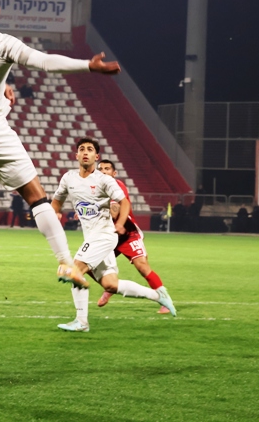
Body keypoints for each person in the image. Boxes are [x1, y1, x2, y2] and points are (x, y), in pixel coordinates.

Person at [0, 0, 121, 302]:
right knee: (37, 198)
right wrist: (88, 66)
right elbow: (44, 61)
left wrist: (1, 89)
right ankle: (66, 263)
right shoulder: (3, 43)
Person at [51, 139, 176, 332]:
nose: (85, 152)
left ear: (96, 156)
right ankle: (158, 296)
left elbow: (124, 202)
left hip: (104, 235)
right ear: (76, 155)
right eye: (82, 149)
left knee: (74, 270)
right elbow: (57, 200)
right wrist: (55, 213)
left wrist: (119, 223)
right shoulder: (68, 178)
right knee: (110, 284)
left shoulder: (104, 180)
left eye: (90, 149)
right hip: (92, 237)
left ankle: (81, 322)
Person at [96, 159, 175, 314]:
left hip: (127, 234)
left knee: (142, 266)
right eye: (100, 169)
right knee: (93, 265)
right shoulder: (94, 190)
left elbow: (114, 212)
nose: (103, 171)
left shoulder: (117, 186)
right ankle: (111, 288)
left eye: (107, 169)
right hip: (108, 236)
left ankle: (165, 299)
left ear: (114, 173)